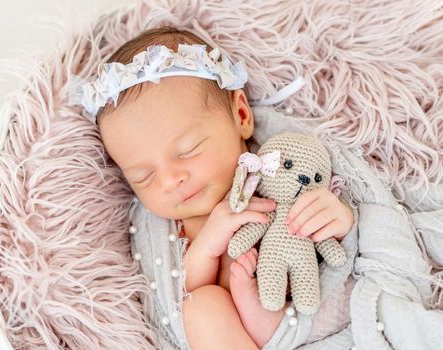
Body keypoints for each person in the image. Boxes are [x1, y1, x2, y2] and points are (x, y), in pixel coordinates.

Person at [70, 26, 355, 350]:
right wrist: (207, 244)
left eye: (188, 150)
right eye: (143, 176)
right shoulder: (178, 227)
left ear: (241, 115)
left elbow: (352, 235)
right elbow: (183, 294)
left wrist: (341, 220)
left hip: (319, 324)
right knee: (201, 308)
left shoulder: (279, 164)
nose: (169, 181)